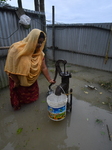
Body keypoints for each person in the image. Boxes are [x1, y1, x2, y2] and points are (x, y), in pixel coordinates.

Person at [4, 29, 55, 110]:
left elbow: (43, 67)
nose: (39, 45)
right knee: (19, 100)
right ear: (32, 39)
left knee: (32, 99)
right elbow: (11, 68)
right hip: (18, 81)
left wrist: (49, 80)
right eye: (38, 42)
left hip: (31, 80)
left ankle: (32, 109)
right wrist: (16, 81)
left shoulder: (40, 54)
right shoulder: (16, 49)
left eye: (41, 42)